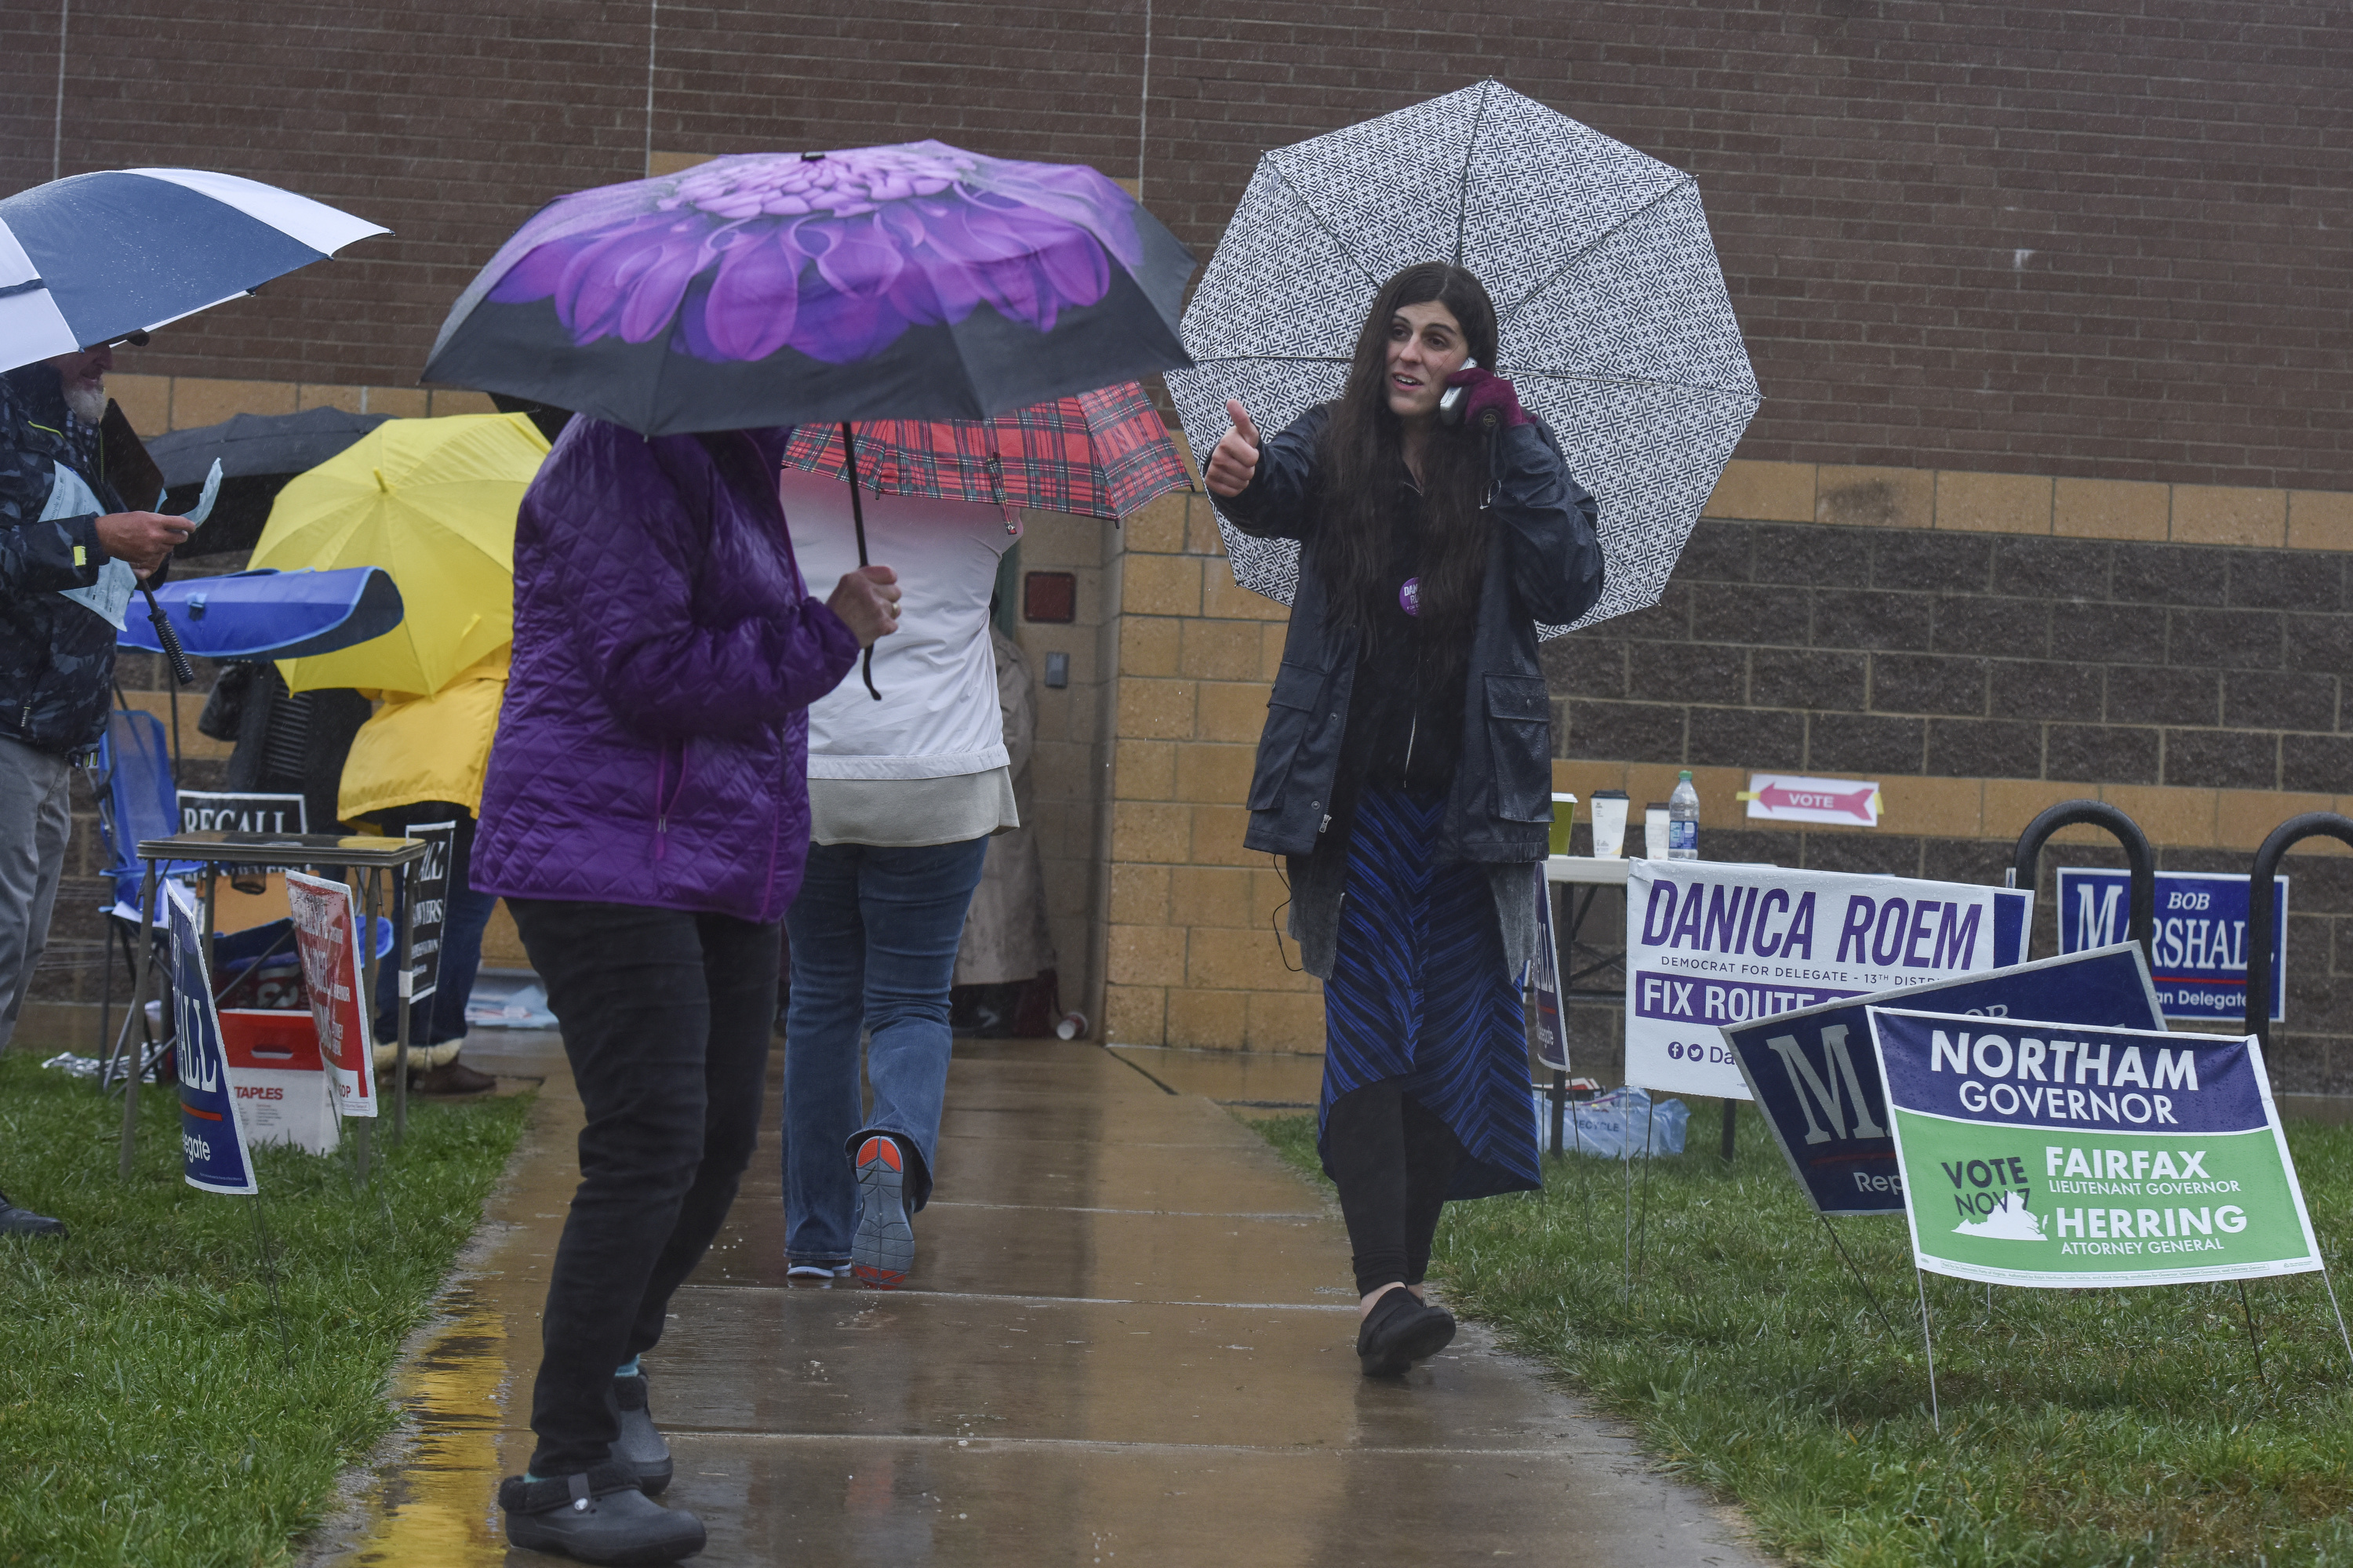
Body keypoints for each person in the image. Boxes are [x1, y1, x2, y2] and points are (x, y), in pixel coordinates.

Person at [472, 418, 896, 1564]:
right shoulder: (618, 457)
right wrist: (828, 632)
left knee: (714, 1138)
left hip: (711, 854)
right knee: (650, 1134)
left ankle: (614, 1358)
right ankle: (564, 1464)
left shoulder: (735, 461)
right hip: (603, 847)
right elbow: (649, 669)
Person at [1204, 261, 1604, 1378]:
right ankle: (1384, 1282)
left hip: (1474, 809)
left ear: (1470, 359)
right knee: (1372, 1027)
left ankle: (1401, 1290)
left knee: (1451, 1046)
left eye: (1436, 339)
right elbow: (1274, 483)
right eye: (1398, 330)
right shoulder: (1333, 441)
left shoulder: (1512, 458)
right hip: (1360, 802)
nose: (1408, 352)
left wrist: (1511, 434)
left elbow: (1571, 577)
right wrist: (1234, 474)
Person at [777, 470, 1014, 1289]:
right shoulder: (988, 484)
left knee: (821, 1000)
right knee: (913, 1001)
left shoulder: (784, 478)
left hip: (812, 772)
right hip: (941, 776)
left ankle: (816, 1238)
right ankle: (893, 1145)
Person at [0, 346, 190, 1239]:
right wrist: (96, 540)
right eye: (97, 338)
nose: (109, 357)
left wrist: (142, 547)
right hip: (5, 724)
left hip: (53, 737)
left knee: (14, 958)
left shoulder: (85, 429)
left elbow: (93, 551)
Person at [336, 645, 509, 1095]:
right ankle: (433, 1053)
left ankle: (396, 1044)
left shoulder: (421, 607)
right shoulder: (498, 602)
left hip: (399, 767)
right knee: (457, 916)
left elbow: (368, 682)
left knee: (416, 911)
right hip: (462, 765)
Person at [950, 620, 1060, 1036]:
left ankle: (994, 1008)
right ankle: (973, 1005)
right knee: (978, 915)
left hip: (991, 803)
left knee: (998, 912)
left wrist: (968, 786)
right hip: (967, 802)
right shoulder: (965, 648)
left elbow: (1014, 738)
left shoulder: (1002, 657)